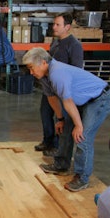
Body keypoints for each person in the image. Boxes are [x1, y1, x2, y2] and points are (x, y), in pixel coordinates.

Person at [22, 47, 110, 192]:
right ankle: (61, 165)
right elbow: (52, 98)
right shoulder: (44, 76)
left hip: (99, 99)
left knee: (82, 136)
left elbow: (67, 102)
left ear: (43, 63)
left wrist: (79, 125)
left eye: (32, 68)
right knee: (64, 130)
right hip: (81, 101)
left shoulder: (57, 73)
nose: (31, 72)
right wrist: (61, 119)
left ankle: (82, 177)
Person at [35, 12, 83, 157]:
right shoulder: (55, 42)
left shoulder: (74, 45)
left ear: (67, 27)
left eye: (57, 24)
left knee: (60, 117)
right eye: (53, 24)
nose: (54, 27)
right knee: (45, 113)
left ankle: (56, 146)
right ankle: (47, 141)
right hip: (50, 86)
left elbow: (76, 70)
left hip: (62, 89)